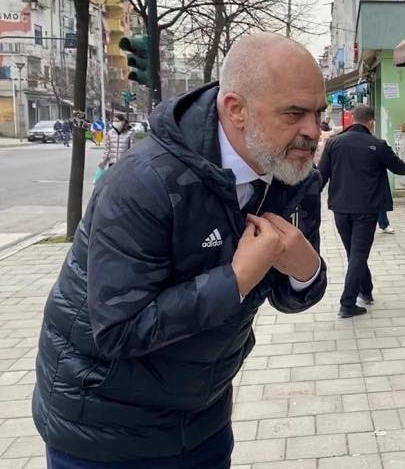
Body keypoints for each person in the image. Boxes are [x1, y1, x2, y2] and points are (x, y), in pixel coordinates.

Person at [32, 33, 329, 468]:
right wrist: (235, 280)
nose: (313, 131)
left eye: (319, 113)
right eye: (294, 113)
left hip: (203, 419)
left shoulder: (295, 176)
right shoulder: (145, 181)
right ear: (236, 109)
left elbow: (290, 294)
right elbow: (118, 330)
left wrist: (306, 271)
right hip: (104, 431)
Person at [318, 104, 405, 318]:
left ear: (353, 120)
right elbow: (400, 169)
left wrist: (308, 203)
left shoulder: (334, 143)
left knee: (354, 253)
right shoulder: (377, 145)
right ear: (371, 122)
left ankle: (366, 291)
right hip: (367, 210)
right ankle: (347, 303)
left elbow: (321, 176)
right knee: (358, 254)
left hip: (340, 209)